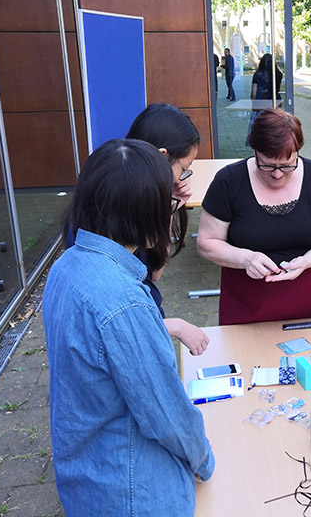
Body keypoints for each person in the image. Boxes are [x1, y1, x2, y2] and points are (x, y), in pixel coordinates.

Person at [44, 139, 215, 517]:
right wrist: (205, 460)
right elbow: (167, 414)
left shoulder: (65, 267)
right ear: (142, 215)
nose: (171, 215)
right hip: (134, 492)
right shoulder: (125, 301)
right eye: (167, 205)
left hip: (88, 477)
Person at [197, 107, 311, 324]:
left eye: (287, 166)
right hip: (247, 309)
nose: (277, 174)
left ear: (298, 151)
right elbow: (207, 242)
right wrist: (246, 258)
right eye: (267, 165)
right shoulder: (229, 181)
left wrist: (307, 261)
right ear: (254, 151)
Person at [124, 103, 209, 356]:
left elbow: (155, 273)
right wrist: (174, 326)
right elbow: (115, 317)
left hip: (146, 325)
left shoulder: (140, 194)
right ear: (162, 156)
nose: (181, 179)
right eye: (183, 169)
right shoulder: (114, 211)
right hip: (136, 336)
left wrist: (169, 205)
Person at [248, 53, 283, 141]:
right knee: (274, 128)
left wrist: (253, 104)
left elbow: (253, 93)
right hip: (275, 103)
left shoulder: (258, 75)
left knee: (258, 132)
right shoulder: (278, 74)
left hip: (261, 104)